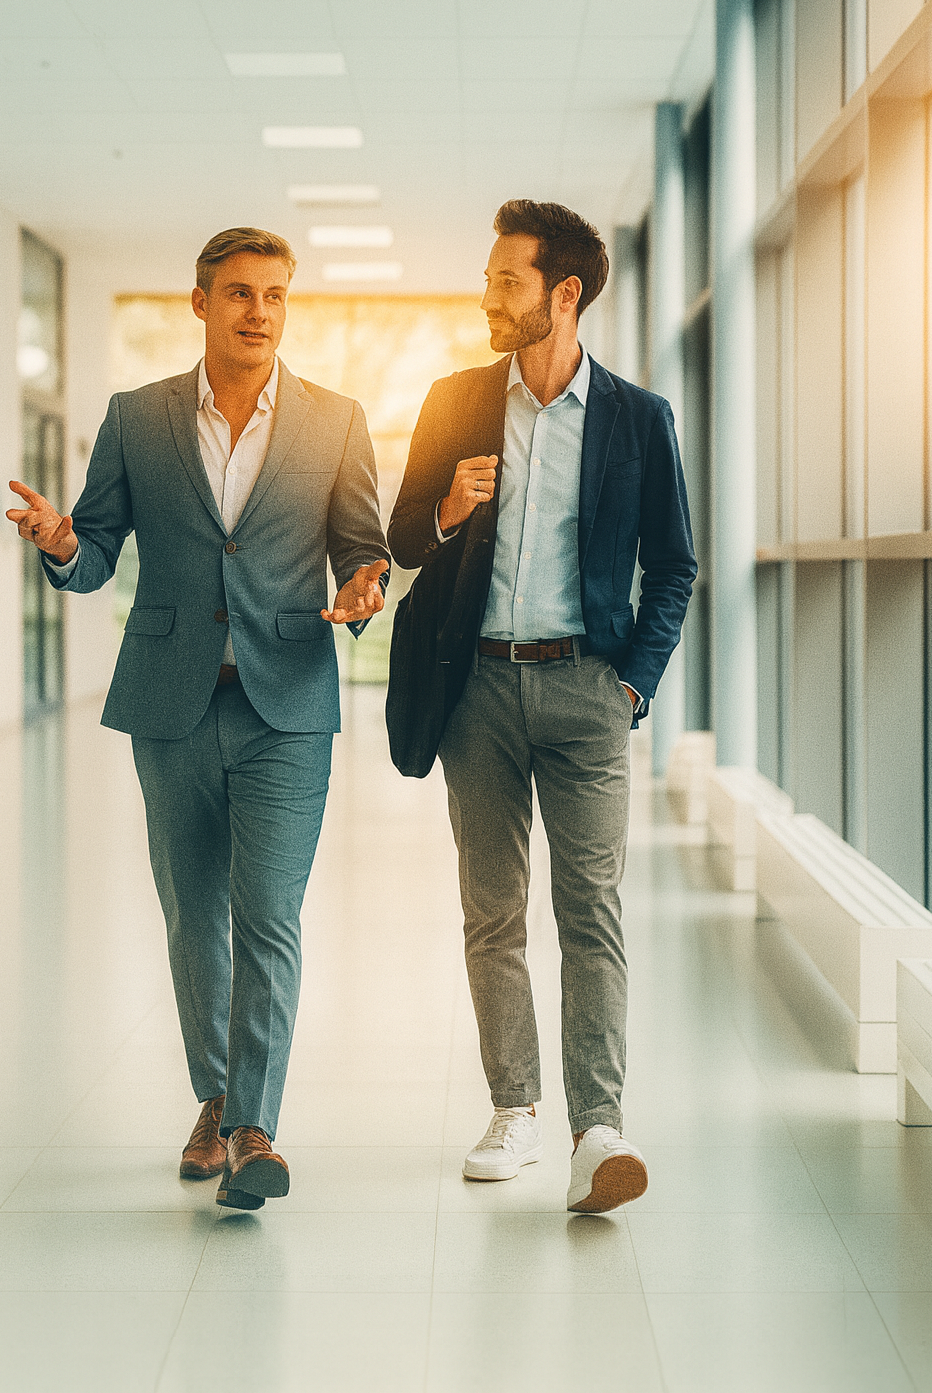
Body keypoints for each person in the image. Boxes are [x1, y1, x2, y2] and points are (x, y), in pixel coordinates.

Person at [7, 227, 389, 1211]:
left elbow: (360, 545)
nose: (258, 312)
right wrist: (58, 542)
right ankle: (215, 1099)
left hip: (287, 702)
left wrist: (362, 586)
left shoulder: (335, 419)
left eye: (274, 296)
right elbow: (92, 552)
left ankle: (254, 1128)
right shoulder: (137, 417)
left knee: (268, 914)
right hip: (170, 702)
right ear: (199, 303)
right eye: (238, 294)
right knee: (192, 921)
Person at [387, 200, 696, 1212]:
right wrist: (447, 509)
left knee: (590, 912)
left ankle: (596, 1126)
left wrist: (631, 685)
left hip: (586, 690)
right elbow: (401, 539)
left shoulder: (637, 419)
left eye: (506, 281)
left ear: (563, 295)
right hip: (474, 686)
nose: (487, 295)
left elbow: (675, 567)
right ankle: (513, 1109)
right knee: (492, 908)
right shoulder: (453, 401)